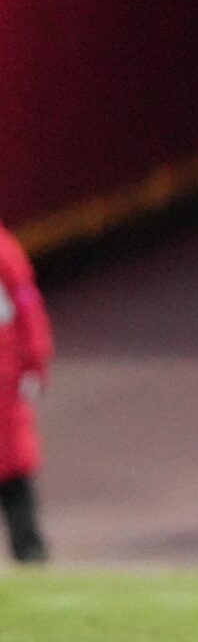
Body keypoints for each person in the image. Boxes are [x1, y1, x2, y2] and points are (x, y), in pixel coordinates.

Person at [0, 220, 52, 564]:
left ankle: (29, 552)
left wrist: (34, 360)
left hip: (3, 380)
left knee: (14, 470)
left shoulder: (4, 252)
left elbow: (26, 304)